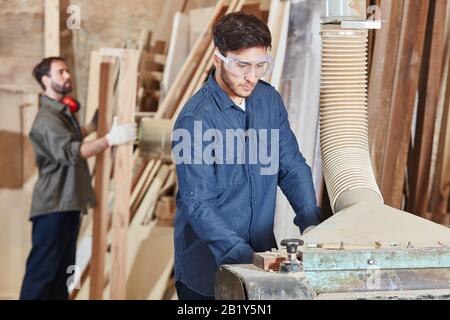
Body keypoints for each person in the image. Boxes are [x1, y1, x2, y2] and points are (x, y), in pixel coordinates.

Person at [172, 12, 321, 300]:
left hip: (262, 264)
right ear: (218, 59)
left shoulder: (269, 101)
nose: (252, 77)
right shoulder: (194, 120)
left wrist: (311, 222)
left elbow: (290, 166)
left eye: (260, 65)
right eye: (242, 66)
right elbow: (198, 204)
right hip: (209, 275)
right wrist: (245, 257)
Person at [20, 57, 136, 300]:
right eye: (60, 72)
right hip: (54, 205)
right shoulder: (47, 119)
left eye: (67, 71)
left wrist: (93, 126)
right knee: (42, 273)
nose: (67, 75)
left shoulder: (61, 112)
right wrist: (109, 140)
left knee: (61, 274)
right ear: (46, 80)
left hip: (68, 203)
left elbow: (71, 137)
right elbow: (72, 151)